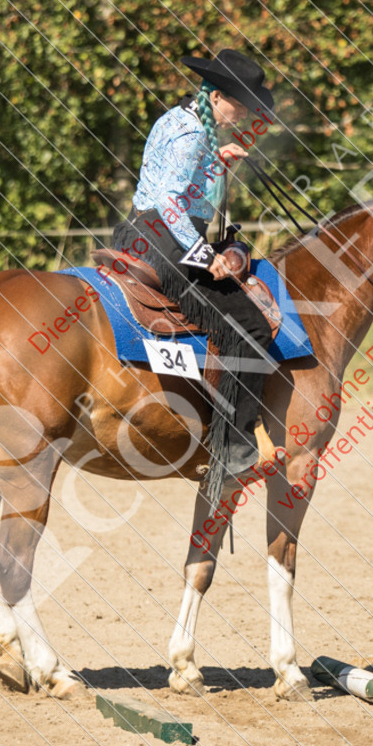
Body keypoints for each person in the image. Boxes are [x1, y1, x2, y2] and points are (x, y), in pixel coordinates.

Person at [113, 48, 275, 495]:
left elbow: (172, 177)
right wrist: (206, 255)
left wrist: (214, 159)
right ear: (217, 96)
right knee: (252, 327)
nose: (244, 115)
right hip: (165, 237)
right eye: (240, 105)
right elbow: (170, 202)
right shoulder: (193, 133)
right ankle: (235, 447)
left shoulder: (181, 120)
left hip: (141, 230)